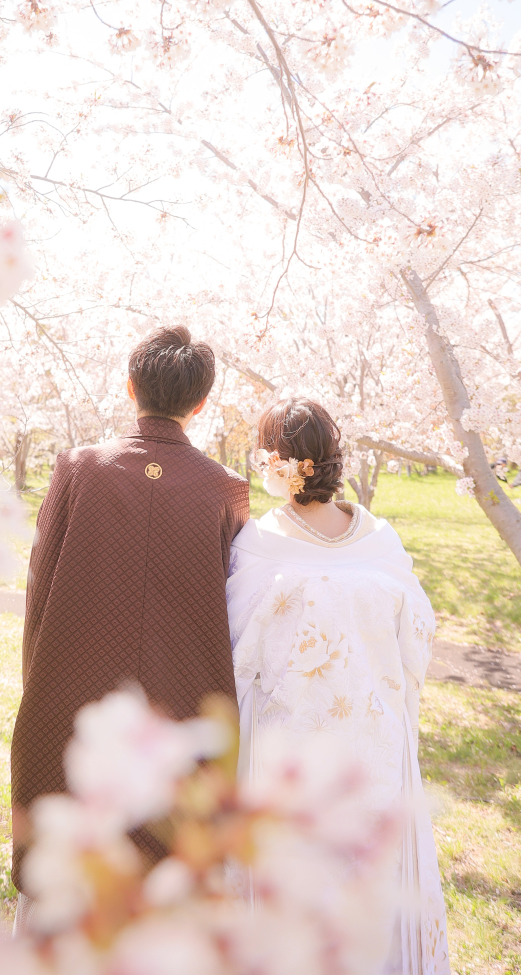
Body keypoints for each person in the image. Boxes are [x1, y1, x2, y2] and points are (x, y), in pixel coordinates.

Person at [11, 325, 250, 927]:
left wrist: (35, 677)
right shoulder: (227, 490)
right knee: (169, 877)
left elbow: (39, 580)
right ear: (199, 404)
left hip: (74, 686)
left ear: (129, 387)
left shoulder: (77, 467)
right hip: (184, 698)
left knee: (66, 866)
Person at [227, 398, 450, 975]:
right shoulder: (380, 539)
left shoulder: (257, 542)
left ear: (277, 464)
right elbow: (415, 643)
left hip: (289, 746)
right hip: (373, 742)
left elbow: (234, 652)